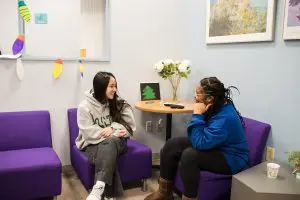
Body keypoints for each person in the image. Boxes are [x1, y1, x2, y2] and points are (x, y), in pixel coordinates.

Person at [145, 77, 249, 200]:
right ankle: (164, 193)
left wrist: (197, 115)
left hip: (231, 158)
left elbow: (199, 143)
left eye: (198, 93)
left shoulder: (225, 118)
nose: (195, 97)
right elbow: (201, 137)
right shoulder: (215, 105)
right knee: (172, 144)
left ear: (210, 98)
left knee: (190, 155)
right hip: (216, 145)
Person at [75, 71, 136, 200]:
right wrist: (110, 132)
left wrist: (113, 127)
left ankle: (98, 188)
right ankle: (107, 194)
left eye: (115, 86)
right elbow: (88, 132)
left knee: (111, 141)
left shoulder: (118, 103)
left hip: (118, 142)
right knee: (108, 149)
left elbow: (130, 126)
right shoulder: (84, 107)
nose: (115, 89)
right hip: (92, 143)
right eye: (111, 86)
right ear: (101, 87)